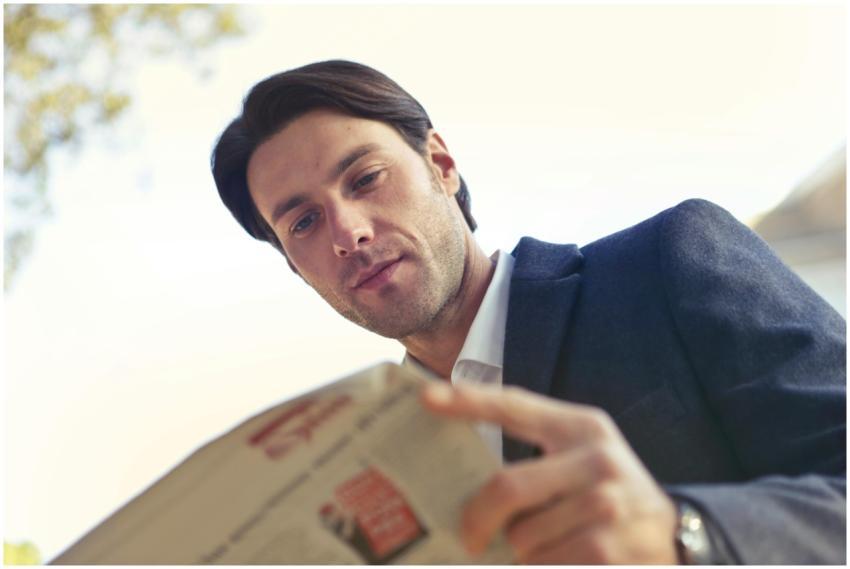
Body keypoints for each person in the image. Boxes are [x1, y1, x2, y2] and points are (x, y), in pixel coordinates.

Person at [211, 60, 845, 564]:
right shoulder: (362, 464)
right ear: (297, 267)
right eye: (303, 222)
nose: (346, 232)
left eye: (365, 178)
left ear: (441, 164)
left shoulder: (666, 262)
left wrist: (684, 539)